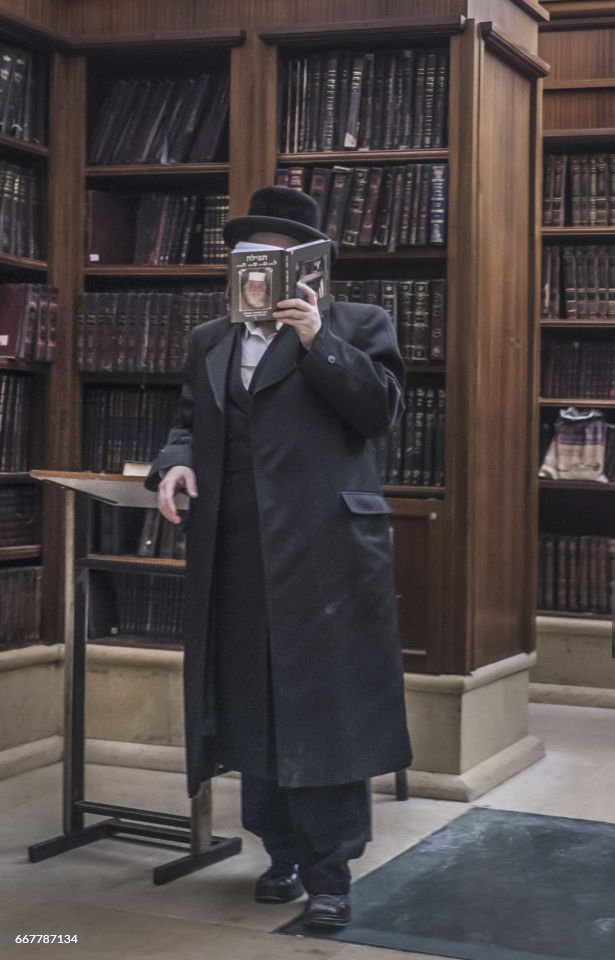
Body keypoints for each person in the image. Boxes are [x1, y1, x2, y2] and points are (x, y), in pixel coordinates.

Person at [146, 186, 412, 930]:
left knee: (324, 705)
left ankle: (331, 873)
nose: (260, 270)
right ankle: (280, 851)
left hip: (325, 550)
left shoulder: (359, 324)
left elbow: (381, 413)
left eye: (278, 257)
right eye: (249, 256)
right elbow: (187, 424)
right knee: (251, 698)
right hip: (234, 548)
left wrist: (319, 341)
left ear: (310, 267)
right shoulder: (210, 339)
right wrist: (172, 464)